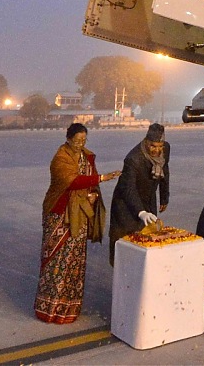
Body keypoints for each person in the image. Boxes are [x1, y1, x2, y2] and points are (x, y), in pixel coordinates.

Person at [34, 123, 121, 324]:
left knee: (75, 262)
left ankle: (69, 309)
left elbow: (90, 183)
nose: (81, 144)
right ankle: (48, 309)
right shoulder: (61, 158)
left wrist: (92, 195)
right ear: (68, 137)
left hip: (79, 216)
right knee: (56, 262)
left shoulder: (86, 156)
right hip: (60, 215)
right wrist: (102, 178)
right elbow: (72, 181)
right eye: (77, 140)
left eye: (84, 140)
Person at [108, 123, 170, 266]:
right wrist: (141, 212)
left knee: (147, 238)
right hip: (126, 204)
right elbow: (128, 188)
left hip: (148, 197)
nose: (157, 150)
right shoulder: (133, 159)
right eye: (153, 146)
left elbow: (165, 170)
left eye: (160, 146)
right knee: (126, 243)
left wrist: (164, 196)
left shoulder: (166, 149)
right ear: (146, 142)